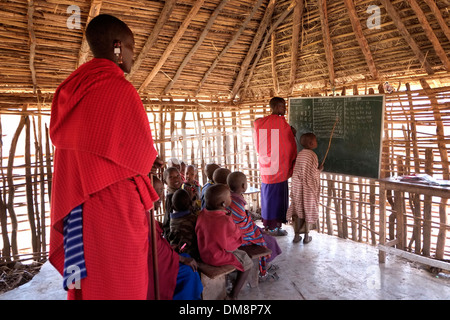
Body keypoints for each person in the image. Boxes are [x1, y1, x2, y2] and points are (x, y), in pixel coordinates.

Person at [49, 14, 181, 300]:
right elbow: (139, 155)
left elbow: (106, 148)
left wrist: (145, 158)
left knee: (85, 283)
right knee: (122, 284)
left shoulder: (69, 91)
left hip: (77, 209)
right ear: (119, 47)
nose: (134, 56)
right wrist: (151, 160)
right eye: (132, 48)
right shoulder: (119, 89)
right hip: (114, 210)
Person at [195, 184, 253, 300]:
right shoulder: (225, 220)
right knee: (247, 262)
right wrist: (230, 220)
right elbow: (233, 241)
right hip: (217, 257)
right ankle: (233, 295)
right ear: (223, 204)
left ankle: (229, 282)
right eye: (229, 197)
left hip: (203, 254)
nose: (230, 199)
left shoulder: (201, 214)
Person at [253, 97, 297, 236]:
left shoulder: (260, 122)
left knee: (268, 197)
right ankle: (273, 228)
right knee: (277, 199)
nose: (285, 109)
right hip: (279, 168)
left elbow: (261, 143)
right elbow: (288, 144)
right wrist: (292, 133)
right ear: (278, 107)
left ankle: (270, 226)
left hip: (266, 167)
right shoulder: (281, 123)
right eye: (283, 106)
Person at [227, 171, 282, 280]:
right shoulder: (237, 202)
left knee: (261, 232)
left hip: (232, 234)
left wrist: (254, 226)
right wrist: (256, 231)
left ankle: (265, 266)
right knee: (269, 241)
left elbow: (242, 220)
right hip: (239, 237)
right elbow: (242, 227)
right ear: (243, 186)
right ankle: (265, 269)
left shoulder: (228, 198)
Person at [286, 132, 323, 244]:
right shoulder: (313, 155)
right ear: (311, 143)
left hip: (298, 186)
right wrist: (319, 170)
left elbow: (299, 171)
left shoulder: (300, 154)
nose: (317, 142)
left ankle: (296, 236)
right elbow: (311, 174)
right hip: (307, 188)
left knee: (298, 209)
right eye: (316, 141)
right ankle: (306, 237)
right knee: (308, 209)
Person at [168, 189, 200, 260]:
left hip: (175, 250)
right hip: (189, 252)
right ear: (189, 204)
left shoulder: (173, 218)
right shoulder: (192, 218)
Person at [162, 167, 183, 237]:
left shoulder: (180, 192)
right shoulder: (171, 197)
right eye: (171, 177)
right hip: (173, 233)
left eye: (178, 176)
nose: (176, 179)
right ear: (165, 181)